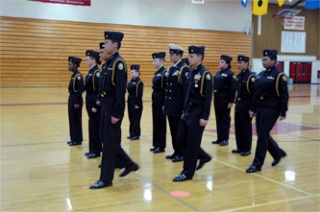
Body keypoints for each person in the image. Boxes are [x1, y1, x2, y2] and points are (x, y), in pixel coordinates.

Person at [90, 31, 139, 189]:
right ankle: (128, 163)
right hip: (106, 105)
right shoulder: (109, 63)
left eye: (107, 42)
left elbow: (120, 91)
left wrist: (117, 113)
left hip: (112, 108)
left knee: (109, 145)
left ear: (115, 45)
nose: (104, 45)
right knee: (109, 141)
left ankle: (105, 179)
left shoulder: (119, 63)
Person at [173, 46, 212, 182]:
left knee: (191, 143)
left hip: (198, 112)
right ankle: (203, 155)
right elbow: (187, 93)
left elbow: (207, 98)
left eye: (191, 56)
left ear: (200, 58)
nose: (188, 59)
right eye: (189, 56)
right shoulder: (190, 72)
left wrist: (204, 117)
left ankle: (187, 172)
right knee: (180, 137)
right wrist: (184, 111)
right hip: (189, 111)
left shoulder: (205, 74)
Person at [246, 49, 288, 173]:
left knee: (262, 136)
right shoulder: (261, 74)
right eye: (262, 59)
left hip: (272, 108)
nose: (263, 61)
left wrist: (283, 111)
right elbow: (255, 93)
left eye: (265, 59)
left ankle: (257, 164)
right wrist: (253, 109)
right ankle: (277, 153)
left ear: (273, 61)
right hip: (260, 107)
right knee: (262, 134)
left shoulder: (279, 75)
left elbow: (284, 95)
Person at [163, 43, 189, 162]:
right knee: (173, 129)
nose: (170, 56)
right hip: (171, 105)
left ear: (178, 55)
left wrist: (185, 108)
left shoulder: (183, 69)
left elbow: (185, 90)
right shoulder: (171, 68)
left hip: (178, 106)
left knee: (179, 131)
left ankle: (182, 152)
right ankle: (176, 151)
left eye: (172, 54)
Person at [233, 55, 255, 156]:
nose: (238, 65)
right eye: (238, 63)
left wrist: (252, 108)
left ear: (246, 63)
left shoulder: (251, 77)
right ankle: (240, 146)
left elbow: (254, 94)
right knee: (238, 126)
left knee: (246, 127)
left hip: (247, 104)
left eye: (240, 63)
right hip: (239, 104)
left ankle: (247, 148)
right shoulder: (239, 75)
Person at [212, 55, 236, 146]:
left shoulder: (230, 74)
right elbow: (214, 85)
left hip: (225, 99)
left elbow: (233, 89)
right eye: (220, 61)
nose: (219, 63)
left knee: (225, 119)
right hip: (217, 99)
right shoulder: (218, 73)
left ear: (227, 64)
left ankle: (225, 139)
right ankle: (219, 138)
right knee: (218, 119)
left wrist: (231, 101)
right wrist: (213, 95)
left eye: (222, 62)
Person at [84, 50, 102, 159]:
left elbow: (98, 90)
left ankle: (96, 150)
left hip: (93, 102)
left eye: (87, 59)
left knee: (95, 126)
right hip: (89, 99)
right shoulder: (90, 71)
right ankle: (92, 149)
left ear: (93, 59)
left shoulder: (96, 72)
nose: (86, 61)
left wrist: (95, 105)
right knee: (91, 124)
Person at [150, 52, 167, 154]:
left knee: (161, 122)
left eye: (155, 61)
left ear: (161, 61)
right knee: (156, 121)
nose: (153, 62)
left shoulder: (164, 73)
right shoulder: (157, 73)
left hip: (161, 98)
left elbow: (166, 89)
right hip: (156, 98)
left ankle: (161, 145)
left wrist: (165, 103)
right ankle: (156, 143)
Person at [67, 56, 84, 146]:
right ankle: (73, 138)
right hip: (72, 97)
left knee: (76, 119)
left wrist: (77, 102)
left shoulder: (78, 76)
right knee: (72, 119)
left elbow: (80, 90)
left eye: (70, 64)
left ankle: (77, 139)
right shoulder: (74, 75)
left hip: (76, 99)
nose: (68, 66)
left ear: (75, 65)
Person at [127, 64, 144, 140]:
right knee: (131, 117)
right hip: (130, 99)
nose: (131, 74)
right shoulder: (131, 81)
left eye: (133, 72)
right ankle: (131, 133)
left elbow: (139, 94)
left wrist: (137, 104)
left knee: (136, 118)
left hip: (135, 101)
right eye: (131, 72)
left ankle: (136, 134)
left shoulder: (139, 82)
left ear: (137, 72)